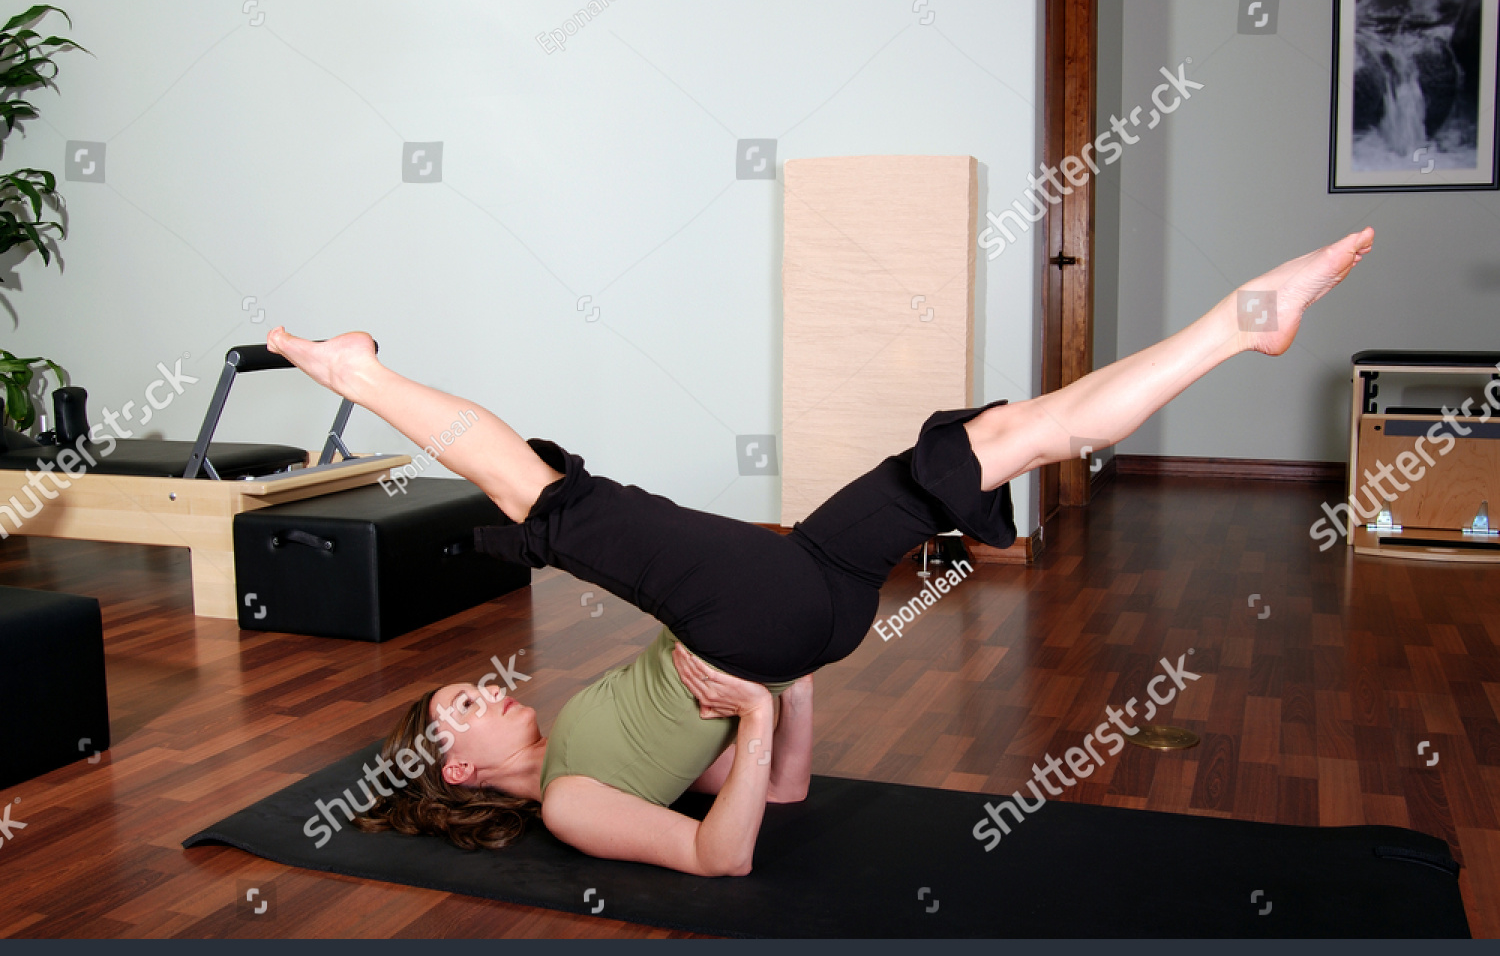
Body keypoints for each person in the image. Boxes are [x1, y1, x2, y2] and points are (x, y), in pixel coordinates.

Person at [267, 227, 1374, 876]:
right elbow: (723, 856)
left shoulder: (594, 743)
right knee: (546, 499)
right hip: (762, 621)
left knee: (999, 441)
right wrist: (748, 704)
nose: (488, 688)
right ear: (461, 771)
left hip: (802, 610)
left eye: (468, 687)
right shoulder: (567, 803)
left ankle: (1240, 325)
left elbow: (782, 793)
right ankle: (357, 372)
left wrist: (774, 700)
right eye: (469, 704)